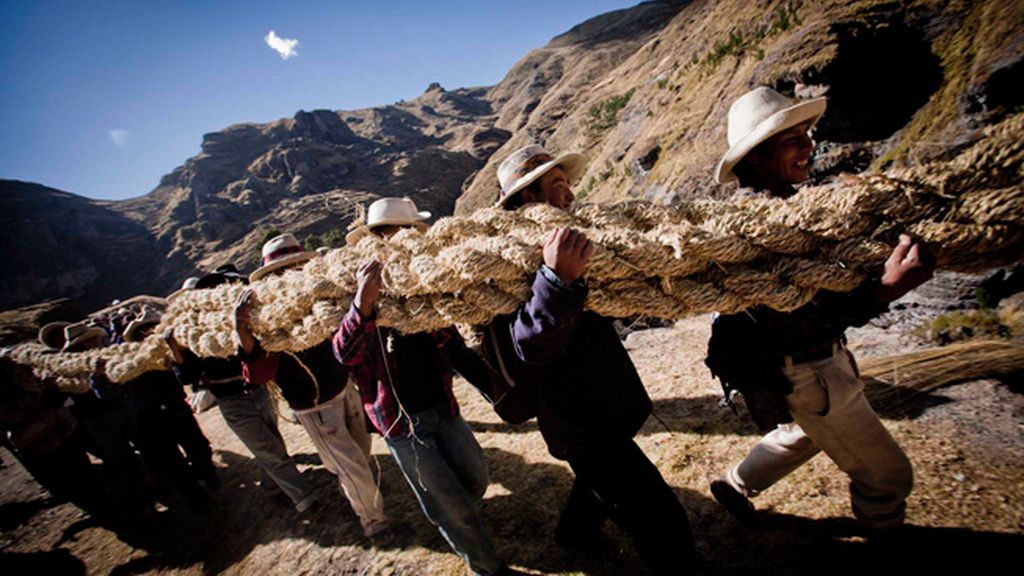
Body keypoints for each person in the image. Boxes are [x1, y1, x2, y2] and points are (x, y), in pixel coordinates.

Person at [705, 86, 934, 531]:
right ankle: (884, 531)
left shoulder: (787, 208)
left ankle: (736, 484)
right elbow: (794, 319)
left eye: (806, 134)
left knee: (803, 432)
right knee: (888, 476)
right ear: (756, 156)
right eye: (792, 139)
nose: (809, 145)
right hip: (808, 373)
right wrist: (884, 290)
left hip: (809, 371)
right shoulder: (761, 228)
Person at [488, 145, 697, 575]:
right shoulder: (506, 263)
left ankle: (573, 533)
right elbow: (529, 345)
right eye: (557, 185)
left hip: (607, 405)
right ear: (528, 197)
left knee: (597, 481)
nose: (570, 194)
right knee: (664, 525)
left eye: (568, 184)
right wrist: (555, 280)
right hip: (580, 424)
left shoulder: (577, 241)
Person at [334, 197, 508, 575]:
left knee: (476, 477)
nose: (406, 240)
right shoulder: (354, 288)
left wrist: (498, 392)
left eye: (410, 232)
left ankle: (457, 518)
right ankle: (485, 565)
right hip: (401, 423)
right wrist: (363, 304)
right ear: (378, 238)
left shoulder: (423, 284)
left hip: (443, 407)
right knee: (450, 506)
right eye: (397, 232)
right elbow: (345, 354)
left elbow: (454, 346)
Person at [236, 233, 389, 538]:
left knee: (361, 452)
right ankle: (375, 523)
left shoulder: (321, 299)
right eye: (281, 270)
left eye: (295, 266)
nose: (290, 274)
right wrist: (241, 329)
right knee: (352, 467)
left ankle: (354, 489)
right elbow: (258, 375)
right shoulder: (265, 322)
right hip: (316, 406)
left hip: (344, 389)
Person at [165, 267, 317, 512]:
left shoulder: (238, 317)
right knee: (267, 448)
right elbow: (188, 376)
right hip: (231, 400)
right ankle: (304, 498)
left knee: (272, 441)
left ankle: (273, 485)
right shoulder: (192, 333)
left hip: (258, 389)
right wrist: (175, 349)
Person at [122, 308, 219, 508]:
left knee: (198, 446)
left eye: (154, 328)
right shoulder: (129, 359)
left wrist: (175, 352)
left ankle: (209, 476)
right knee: (171, 460)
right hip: (150, 416)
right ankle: (196, 496)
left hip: (176, 407)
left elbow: (187, 376)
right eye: (145, 331)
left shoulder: (171, 350)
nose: (150, 334)